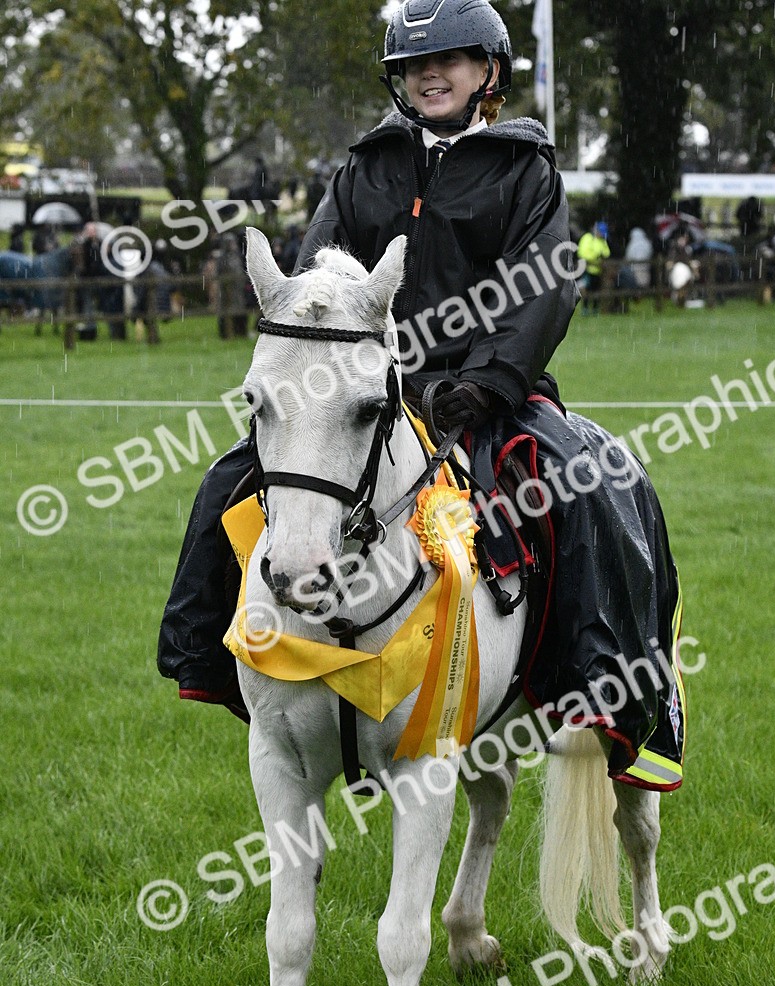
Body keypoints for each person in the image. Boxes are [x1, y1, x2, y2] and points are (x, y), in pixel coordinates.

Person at [158, 0, 684, 788]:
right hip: (366, 391)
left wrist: (485, 384)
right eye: (413, 65)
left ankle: (595, 694)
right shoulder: (365, 166)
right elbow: (314, 284)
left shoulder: (525, 168)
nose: (429, 74)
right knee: (230, 483)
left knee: (585, 492)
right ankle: (214, 657)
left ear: (489, 72)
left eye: (450, 59)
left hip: (487, 394)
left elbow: (545, 288)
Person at [577, 221, 610, 311]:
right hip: (587, 269)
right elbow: (582, 253)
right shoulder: (587, 238)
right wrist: (596, 255)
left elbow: (606, 252)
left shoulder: (602, 241)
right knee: (586, 290)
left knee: (596, 291)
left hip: (598, 270)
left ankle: (595, 308)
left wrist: (601, 254)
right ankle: (585, 308)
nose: (602, 235)